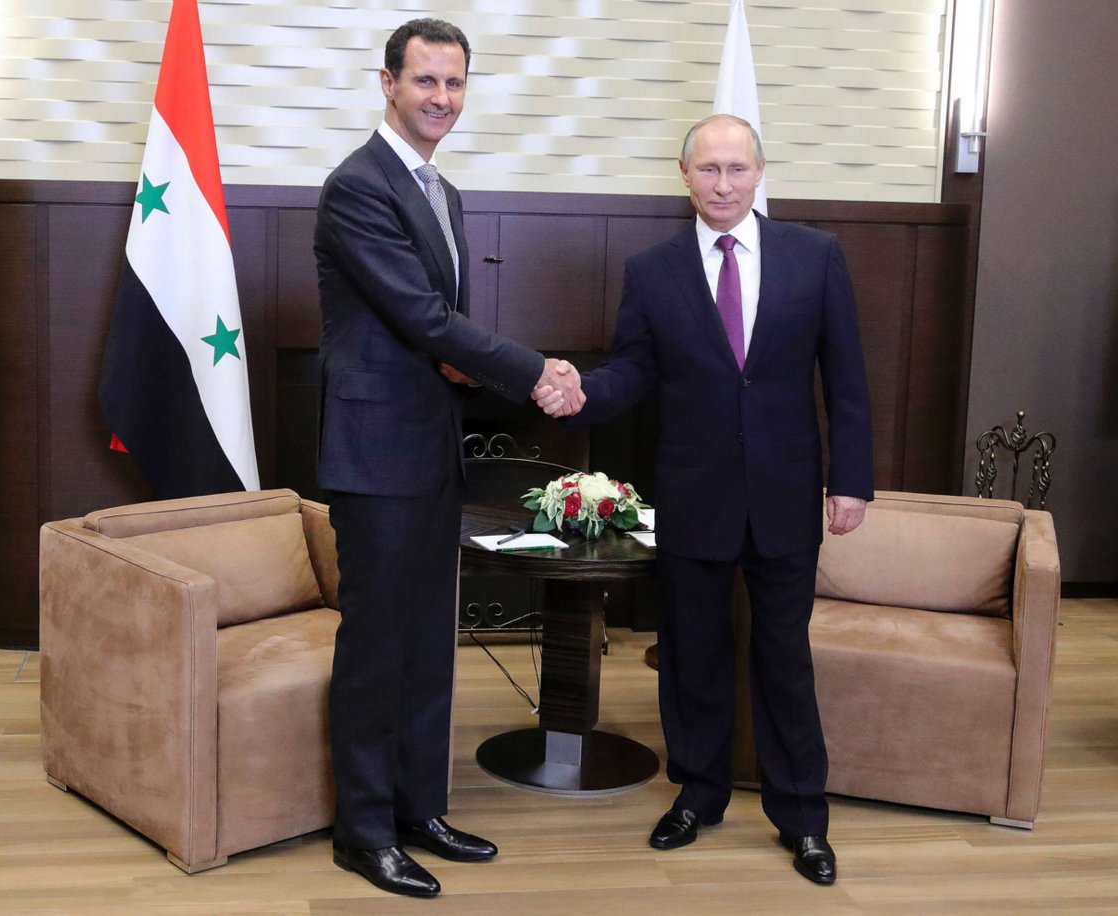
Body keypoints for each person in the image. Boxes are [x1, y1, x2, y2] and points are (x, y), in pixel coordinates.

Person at [538, 114, 873, 885]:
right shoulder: (652, 270)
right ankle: (698, 794)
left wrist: (852, 480)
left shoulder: (815, 256)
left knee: (784, 660)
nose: (724, 184)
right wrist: (579, 391)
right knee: (692, 656)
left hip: (787, 494)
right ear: (685, 175)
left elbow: (848, 377)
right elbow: (633, 370)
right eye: (710, 169)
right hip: (694, 496)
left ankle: (803, 819)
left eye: (737, 168)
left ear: (760, 173)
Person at [313, 18, 583, 899]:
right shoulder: (357, 186)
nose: (441, 98)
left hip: (432, 450)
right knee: (376, 650)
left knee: (430, 644)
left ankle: (419, 809)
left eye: (455, 83)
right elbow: (422, 318)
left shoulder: (445, 192)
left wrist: (476, 365)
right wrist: (533, 371)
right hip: (374, 456)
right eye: (425, 80)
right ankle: (363, 833)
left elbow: (439, 331)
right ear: (387, 83)